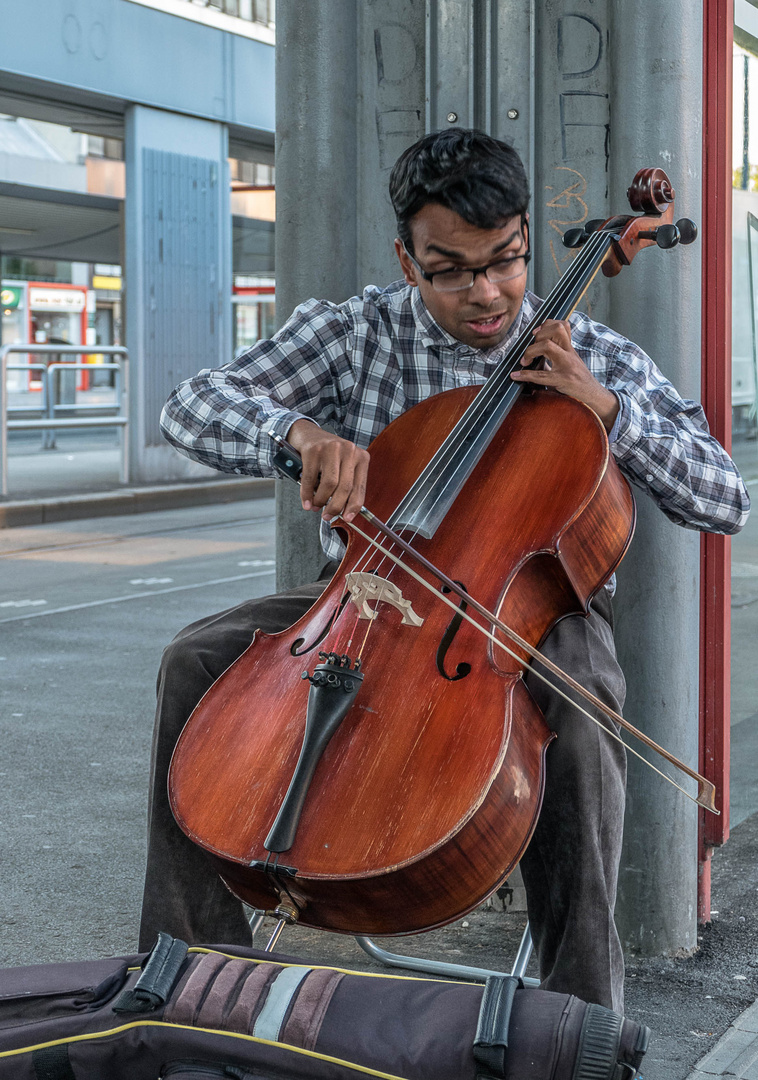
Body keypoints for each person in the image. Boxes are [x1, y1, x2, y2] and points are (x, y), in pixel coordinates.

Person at [140, 128, 750, 1014]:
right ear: (408, 258)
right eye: (452, 270)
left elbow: (723, 496)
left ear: (525, 241)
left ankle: (578, 1016)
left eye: (504, 261)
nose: (488, 293)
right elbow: (190, 406)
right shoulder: (358, 333)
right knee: (194, 660)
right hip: (365, 598)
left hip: (531, 622)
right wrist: (296, 434)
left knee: (580, 713)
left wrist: (608, 412)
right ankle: (190, 981)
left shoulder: (598, 354)